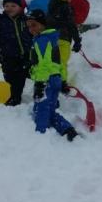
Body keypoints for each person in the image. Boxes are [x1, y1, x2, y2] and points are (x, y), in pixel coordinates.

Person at [25, 9, 78, 141]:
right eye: (29, 26)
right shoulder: (52, 39)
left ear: (43, 25)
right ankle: (67, 129)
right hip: (55, 79)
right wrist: (63, 81)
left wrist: (40, 85)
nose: (31, 29)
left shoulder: (42, 40)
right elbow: (59, 63)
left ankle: (40, 136)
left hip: (46, 81)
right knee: (50, 110)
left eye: (34, 25)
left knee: (41, 109)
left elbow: (44, 64)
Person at [0, 0, 33, 106]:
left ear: (20, 7)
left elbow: (34, 36)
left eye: (13, 5)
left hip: (25, 58)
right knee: (12, 82)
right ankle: (13, 102)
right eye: (6, 6)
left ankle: (19, 98)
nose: (9, 8)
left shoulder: (26, 20)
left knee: (21, 81)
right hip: (8, 58)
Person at [47, 0, 82, 88]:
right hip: (63, 38)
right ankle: (61, 83)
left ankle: (51, 81)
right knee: (62, 63)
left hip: (51, 38)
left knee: (53, 61)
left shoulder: (51, 4)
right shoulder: (66, 7)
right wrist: (77, 41)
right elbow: (71, 25)